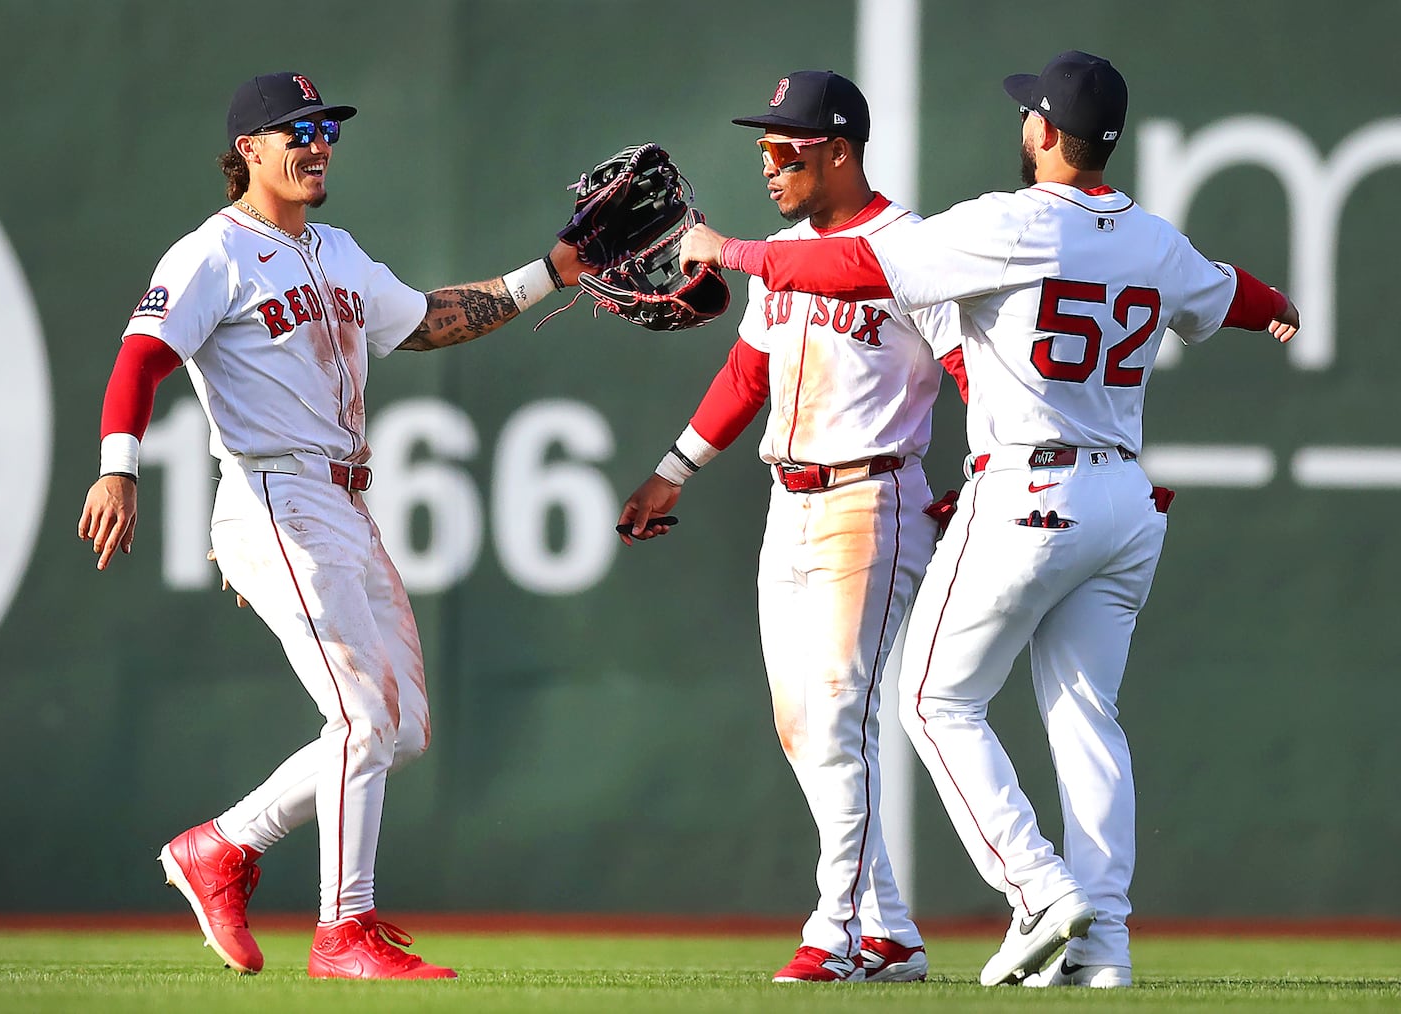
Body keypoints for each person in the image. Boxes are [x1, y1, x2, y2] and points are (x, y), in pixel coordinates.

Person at [681, 51, 1300, 989]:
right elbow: (1232, 291)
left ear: (1045, 131)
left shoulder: (1011, 222)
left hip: (1030, 488)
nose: (1022, 125)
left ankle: (1038, 891)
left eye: (1028, 114)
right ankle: (1103, 946)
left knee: (934, 702)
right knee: (1088, 717)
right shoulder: (1154, 240)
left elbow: (854, 264)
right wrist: (1279, 307)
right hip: (1125, 502)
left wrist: (730, 250)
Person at [76, 71, 586, 980]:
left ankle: (222, 846)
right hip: (275, 494)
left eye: (327, 131)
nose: (318, 146)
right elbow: (141, 360)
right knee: (361, 716)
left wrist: (552, 272)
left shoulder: (337, 251)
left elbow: (427, 321)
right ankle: (342, 930)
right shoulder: (212, 253)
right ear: (249, 151)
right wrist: (119, 467)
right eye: (298, 131)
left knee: (402, 727)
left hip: (345, 502)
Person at [619, 70, 960, 984]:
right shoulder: (782, 250)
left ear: (838, 152)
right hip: (790, 504)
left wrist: (992, 464)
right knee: (803, 727)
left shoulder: (909, 248)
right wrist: (672, 472)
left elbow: (970, 364)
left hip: (871, 498)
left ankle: (834, 933)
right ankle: (890, 932)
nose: (767, 165)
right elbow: (749, 373)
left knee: (841, 711)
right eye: (762, 150)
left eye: (784, 150)